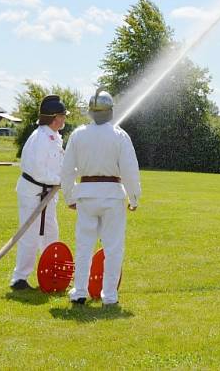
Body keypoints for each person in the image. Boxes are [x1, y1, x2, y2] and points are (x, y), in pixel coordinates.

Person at [61, 87, 141, 307]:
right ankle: (110, 296)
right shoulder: (120, 135)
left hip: (86, 195)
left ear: (90, 112)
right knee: (113, 247)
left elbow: (66, 170)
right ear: (111, 112)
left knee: (84, 245)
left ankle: (79, 292)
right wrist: (134, 198)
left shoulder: (78, 135)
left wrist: (69, 197)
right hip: (113, 197)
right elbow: (130, 171)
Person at [10, 95, 67, 291]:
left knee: (51, 233)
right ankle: (19, 278)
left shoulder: (55, 137)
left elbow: (59, 165)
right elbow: (37, 170)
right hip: (32, 192)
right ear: (54, 117)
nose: (64, 119)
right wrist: (59, 181)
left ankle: (51, 273)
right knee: (30, 236)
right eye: (62, 116)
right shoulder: (40, 138)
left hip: (48, 194)